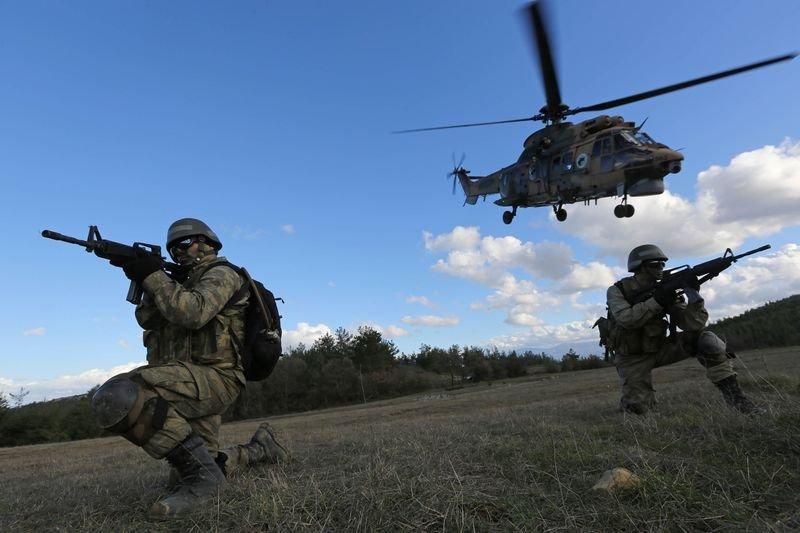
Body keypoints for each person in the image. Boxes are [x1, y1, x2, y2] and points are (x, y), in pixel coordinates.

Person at [90, 218, 288, 520]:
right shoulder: (179, 284)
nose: (178, 252)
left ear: (207, 243)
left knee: (121, 393)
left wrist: (155, 275)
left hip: (217, 378)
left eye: (184, 244)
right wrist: (145, 276)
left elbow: (192, 312)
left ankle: (205, 479)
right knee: (197, 466)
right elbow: (150, 320)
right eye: (172, 249)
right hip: (190, 378)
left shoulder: (222, 274)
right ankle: (261, 449)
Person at [606, 244, 756, 415]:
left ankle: (739, 402)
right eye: (655, 264)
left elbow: (691, 325)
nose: (661, 268)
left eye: (662, 264)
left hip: (660, 348)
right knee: (637, 411)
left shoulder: (665, 289)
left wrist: (694, 296)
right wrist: (657, 301)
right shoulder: (618, 290)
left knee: (707, 340)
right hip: (631, 358)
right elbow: (627, 319)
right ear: (640, 267)